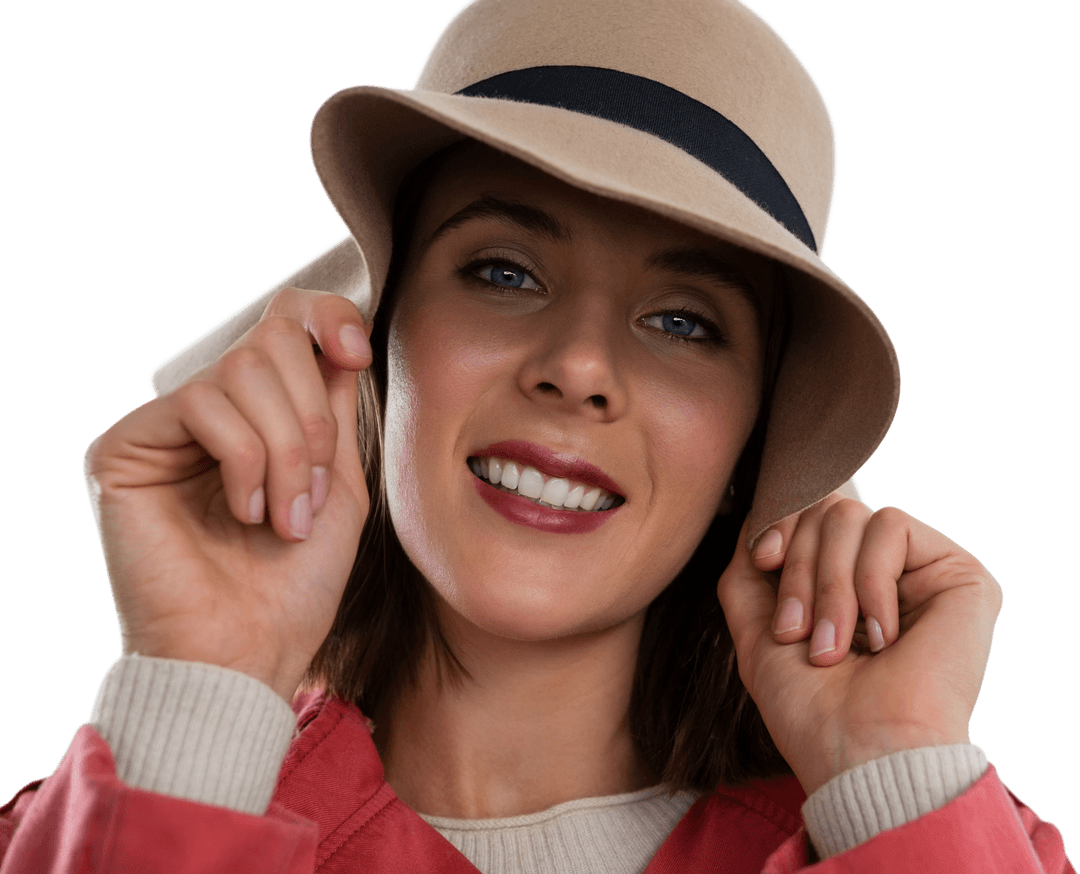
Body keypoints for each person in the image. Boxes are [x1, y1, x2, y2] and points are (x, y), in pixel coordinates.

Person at [0, 0, 1073, 871]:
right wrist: (198, 696)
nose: (580, 367)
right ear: (375, 336)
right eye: (503, 271)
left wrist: (889, 772)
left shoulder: (931, 837)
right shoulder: (111, 818)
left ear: (754, 442)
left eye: (685, 323)